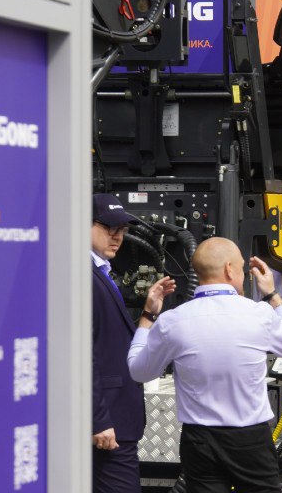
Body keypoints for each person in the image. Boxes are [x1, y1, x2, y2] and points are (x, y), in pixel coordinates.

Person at [127, 237, 282, 493]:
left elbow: (138, 370)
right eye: (243, 269)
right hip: (250, 438)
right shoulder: (259, 314)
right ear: (229, 269)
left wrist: (147, 317)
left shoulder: (172, 321)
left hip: (200, 440)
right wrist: (272, 295)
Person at [91, 193, 176, 492]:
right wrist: (97, 419)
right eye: (108, 228)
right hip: (106, 423)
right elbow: (82, 355)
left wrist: (149, 314)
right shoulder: (82, 276)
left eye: (122, 229)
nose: (117, 236)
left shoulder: (100, 273)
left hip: (115, 422)